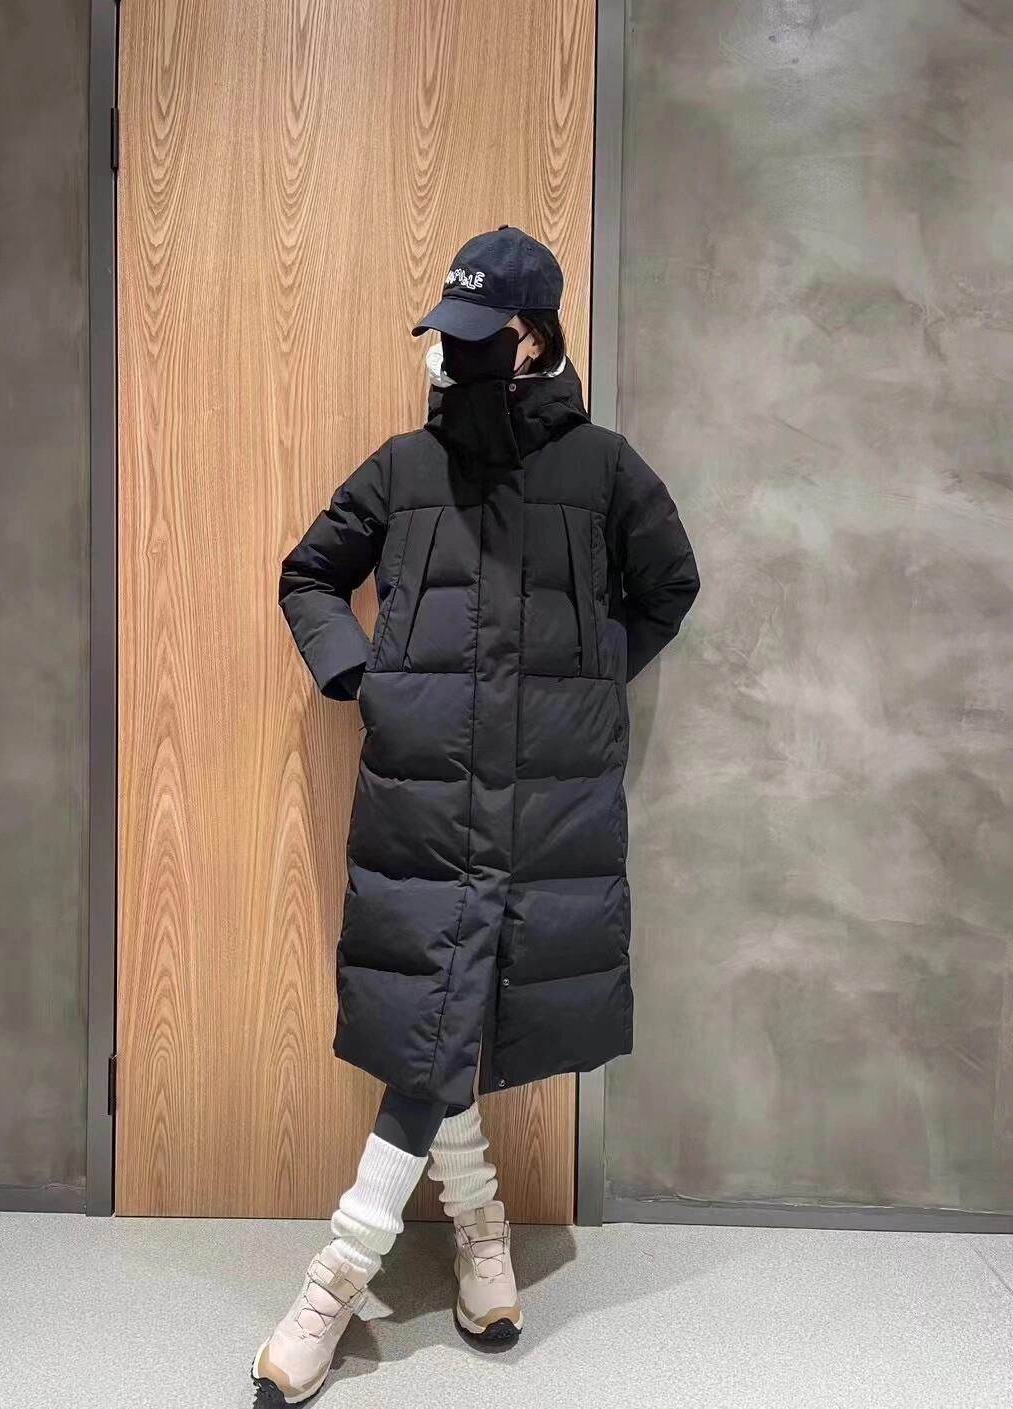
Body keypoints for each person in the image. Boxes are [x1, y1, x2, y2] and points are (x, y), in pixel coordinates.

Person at [254, 225, 700, 1403]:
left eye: (475, 336)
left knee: (444, 1017)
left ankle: (352, 1275)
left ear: (533, 336)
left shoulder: (603, 471)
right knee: (440, 1016)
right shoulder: (406, 469)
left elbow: (671, 583)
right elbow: (309, 572)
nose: (451, 355)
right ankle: (449, 1242)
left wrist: (590, 676)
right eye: (444, 336)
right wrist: (363, 675)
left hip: (546, 796)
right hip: (426, 791)